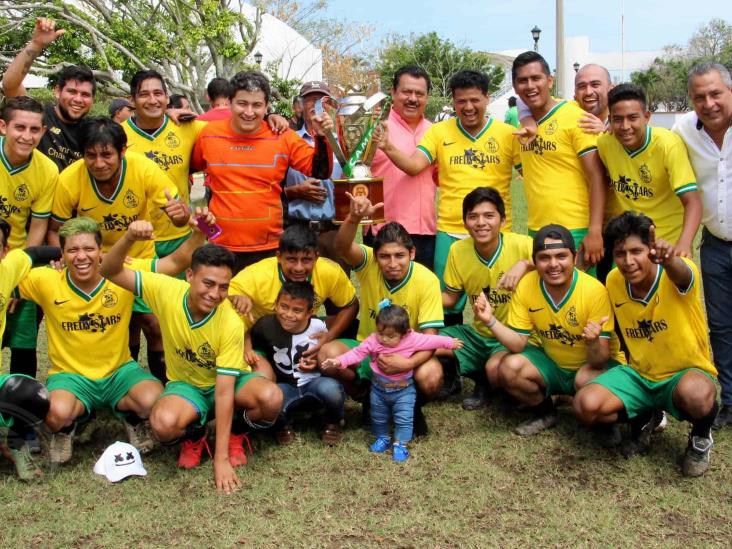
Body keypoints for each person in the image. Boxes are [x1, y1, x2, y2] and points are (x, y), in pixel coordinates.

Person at [101, 239, 283, 493]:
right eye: (207, 283)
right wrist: (130, 238)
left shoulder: (230, 321)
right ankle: (196, 435)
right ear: (189, 275)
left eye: (223, 287)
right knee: (163, 424)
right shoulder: (165, 289)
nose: (214, 294)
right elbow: (109, 270)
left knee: (271, 398)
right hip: (187, 386)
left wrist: (221, 461)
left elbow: (223, 391)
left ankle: (236, 433)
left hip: (227, 383)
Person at [574, 212, 718, 477]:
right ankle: (644, 418)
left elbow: (682, 274)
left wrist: (669, 259)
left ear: (650, 249)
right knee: (586, 404)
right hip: (641, 375)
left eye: (636, 251)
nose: (628, 261)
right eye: (620, 254)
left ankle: (701, 436)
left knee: (697, 395)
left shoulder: (677, 271)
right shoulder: (614, 280)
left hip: (683, 374)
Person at [48, 116, 189, 382]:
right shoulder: (70, 179)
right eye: (90, 156)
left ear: (123, 151)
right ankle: (120, 385)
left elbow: (179, 215)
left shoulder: (143, 168)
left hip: (140, 258)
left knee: (154, 324)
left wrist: (180, 214)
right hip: (95, 264)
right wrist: (62, 256)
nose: (98, 163)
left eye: (107, 155)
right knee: (121, 328)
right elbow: (56, 228)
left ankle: (165, 385)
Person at [18, 218, 169, 464]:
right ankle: (66, 430)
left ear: (101, 250)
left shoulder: (122, 274)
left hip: (119, 371)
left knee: (155, 402)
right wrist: (35, 258)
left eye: (88, 249)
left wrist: (196, 231)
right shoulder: (45, 280)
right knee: (55, 414)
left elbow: (173, 263)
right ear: (62, 254)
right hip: (71, 375)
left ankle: (131, 418)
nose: (81, 256)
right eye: (72, 250)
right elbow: (7, 275)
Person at [377, 69, 520, 326]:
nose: (468, 107)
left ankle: (496, 357)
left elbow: (532, 173)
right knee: (447, 304)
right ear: (452, 101)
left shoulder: (508, 135)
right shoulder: (439, 132)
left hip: (499, 233)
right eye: (461, 101)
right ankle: (446, 358)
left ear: (487, 98)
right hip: (450, 231)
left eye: (475, 100)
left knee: (502, 303)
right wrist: (387, 147)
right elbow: (413, 166)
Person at [473, 224, 624, 436]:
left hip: (593, 365)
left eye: (561, 256)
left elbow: (598, 360)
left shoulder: (594, 291)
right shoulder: (527, 285)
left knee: (584, 381)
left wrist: (592, 341)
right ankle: (545, 412)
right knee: (509, 367)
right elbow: (518, 343)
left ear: (574, 256)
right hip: (553, 364)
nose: (553, 264)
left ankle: (608, 423)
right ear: (535, 261)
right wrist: (490, 321)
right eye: (544, 257)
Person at [318, 193, 445, 437]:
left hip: (408, 352)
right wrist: (354, 217)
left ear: (413, 254)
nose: (392, 263)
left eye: (400, 256)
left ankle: (410, 405)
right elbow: (341, 246)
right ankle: (367, 396)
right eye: (385, 256)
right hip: (369, 346)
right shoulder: (369, 266)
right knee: (327, 355)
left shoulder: (427, 280)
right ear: (376, 257)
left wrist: (407, 362)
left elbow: (430, 338)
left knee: (431, 375)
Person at [191, 70, 333, 273]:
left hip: (269, 249)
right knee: (223, 305)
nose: (249, 112)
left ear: (266, 107)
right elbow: (188, 168)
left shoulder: (282, 136)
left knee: (267, 305)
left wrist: (321, 137)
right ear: (230, 102)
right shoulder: (208, 135)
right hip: (220, 247)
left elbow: (320, 172)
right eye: (242, 103)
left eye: (257, 105)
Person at [323, 303, 462, 461]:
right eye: (381, 333)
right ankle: (383, 438)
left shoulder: (412, 338)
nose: (384, 339)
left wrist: (450, 343)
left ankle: (400, 444)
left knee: (404, 419)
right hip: (378, 390)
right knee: (378, 416)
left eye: (390, 336)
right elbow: (357, 353)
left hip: (403, 391)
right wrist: (338, 361)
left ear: (404, 333)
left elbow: (431, 340)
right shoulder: (374, 340)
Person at [672, 62, 732, 430]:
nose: (708, 103)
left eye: (715, 94)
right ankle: (731, 400)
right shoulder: (683, 131)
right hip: (715, 246)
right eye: (699, 97)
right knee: (722, 327)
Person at [438, 187, 533, 410]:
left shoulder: (523, 245)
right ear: (464, 223)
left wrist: (526, 264)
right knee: (427, 340)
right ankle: (471, 377)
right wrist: (416, 296)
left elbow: (565, 266)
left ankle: (490, 383)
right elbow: (451, 299)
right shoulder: (457, 251)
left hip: (513, 335)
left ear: (503, 219)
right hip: (479, 335)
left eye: (489, 216)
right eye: (473, 216)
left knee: (495, 368)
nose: (481, 222)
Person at [512, 52, 607, 271]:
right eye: (522, 81)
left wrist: (594, 231)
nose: (530, 85)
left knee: (581, 300)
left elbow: (597, 177)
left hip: (576, 229)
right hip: (536, 229)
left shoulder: (576, 118)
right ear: (516, 87)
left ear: (550, 80)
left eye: (536, 78)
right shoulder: (524, 126)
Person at [227, 224, 358, 373]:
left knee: (331, 380)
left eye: (306, 260)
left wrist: (329, 336)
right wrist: (235, 297)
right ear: (279, 257)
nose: (299, 268)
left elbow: (351, 305)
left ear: (316, 256)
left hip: (301, 330)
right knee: (264, 380)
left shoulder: (329, 271)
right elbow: (220, 294)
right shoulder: (256, 275)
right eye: (292, 259)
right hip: (260, 338)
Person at [598, 83, 701, 256]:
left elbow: (693, 201)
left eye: (632, 118)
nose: (625, 126)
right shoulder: (604, 144)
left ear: (646, 117)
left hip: (668, 244)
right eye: (618, 119)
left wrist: (684, 244)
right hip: (630, 247)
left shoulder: (667, 144)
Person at [0, 97, 59, 382]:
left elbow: (38, 226)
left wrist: (17, 279)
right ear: (3, 126)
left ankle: (20, 419)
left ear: (44, 131)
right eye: (19, 127)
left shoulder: (47, 170)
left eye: (34, 129)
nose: (27, 136)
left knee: (23, 342)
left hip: (19, 261)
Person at [249, 281, 346, 445]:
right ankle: (283, 425)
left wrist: (316, 363)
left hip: (314, 381)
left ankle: (333, 422)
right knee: (270, 399)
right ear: (275, 305)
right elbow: (250, 338)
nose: (288, 314)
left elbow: (326, 352)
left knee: (333, 390)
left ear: (309, 313)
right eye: (284, 307)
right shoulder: (265, 325)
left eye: (297, 310)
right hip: (285, 385)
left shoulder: (318, 327)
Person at [122, 70, 206, 257]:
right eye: (144, 94)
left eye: (158, 94)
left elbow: (231, 127)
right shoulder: (119, 135)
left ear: (167, 98)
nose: (152, 100)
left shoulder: (187, 127)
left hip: (181, 234)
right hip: (136, 239)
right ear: (132, 100)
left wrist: (273, 116)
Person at [0, 219, 57, 480]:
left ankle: (16, 443)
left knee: (33, 395)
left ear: (4, 251)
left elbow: (33, 253)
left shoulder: (8, 268)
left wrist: (73, 253)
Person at [366, 65, 437, 270]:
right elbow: (351, 173)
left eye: (419, 93)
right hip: (383, 231)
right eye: (406, 91)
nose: (413, 98)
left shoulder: (436, 132)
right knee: (383, 301)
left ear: (427, 97)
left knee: (420, 297)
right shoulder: (375, 129)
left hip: (425, 233)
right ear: (393, 92)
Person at [1, 17, 96, 170]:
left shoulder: (93, 130)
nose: (78, 99)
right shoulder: (38, 116)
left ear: (93, 99)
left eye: (85, 94)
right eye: (72, 91)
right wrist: (36, 45)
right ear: (57, 91)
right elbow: (10, 85)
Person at [283, 81, 342, 264]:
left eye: (321, 100)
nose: (316, 105)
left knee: (335, 288)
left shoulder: (342, 142)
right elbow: (273, 188)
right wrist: (296, 191)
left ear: (328, 105)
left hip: (331, 230)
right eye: (310, 100)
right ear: (300, 105)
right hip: (296, 228)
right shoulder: (288, 140)